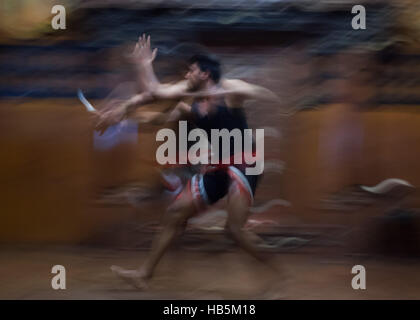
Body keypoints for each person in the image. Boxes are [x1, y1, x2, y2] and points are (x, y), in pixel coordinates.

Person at [98, 35, 281, 289]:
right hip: (216, 167)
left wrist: (256, 93)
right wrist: (142, 68)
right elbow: (156, 96)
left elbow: (262, 93)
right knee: (174, 214)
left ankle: (278, 278)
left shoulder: (230, 91)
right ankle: (144, 275)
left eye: (192, 70)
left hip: (244, 164)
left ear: (205, 73)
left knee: (235, 231)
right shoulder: (189, 101)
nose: (187, 74)